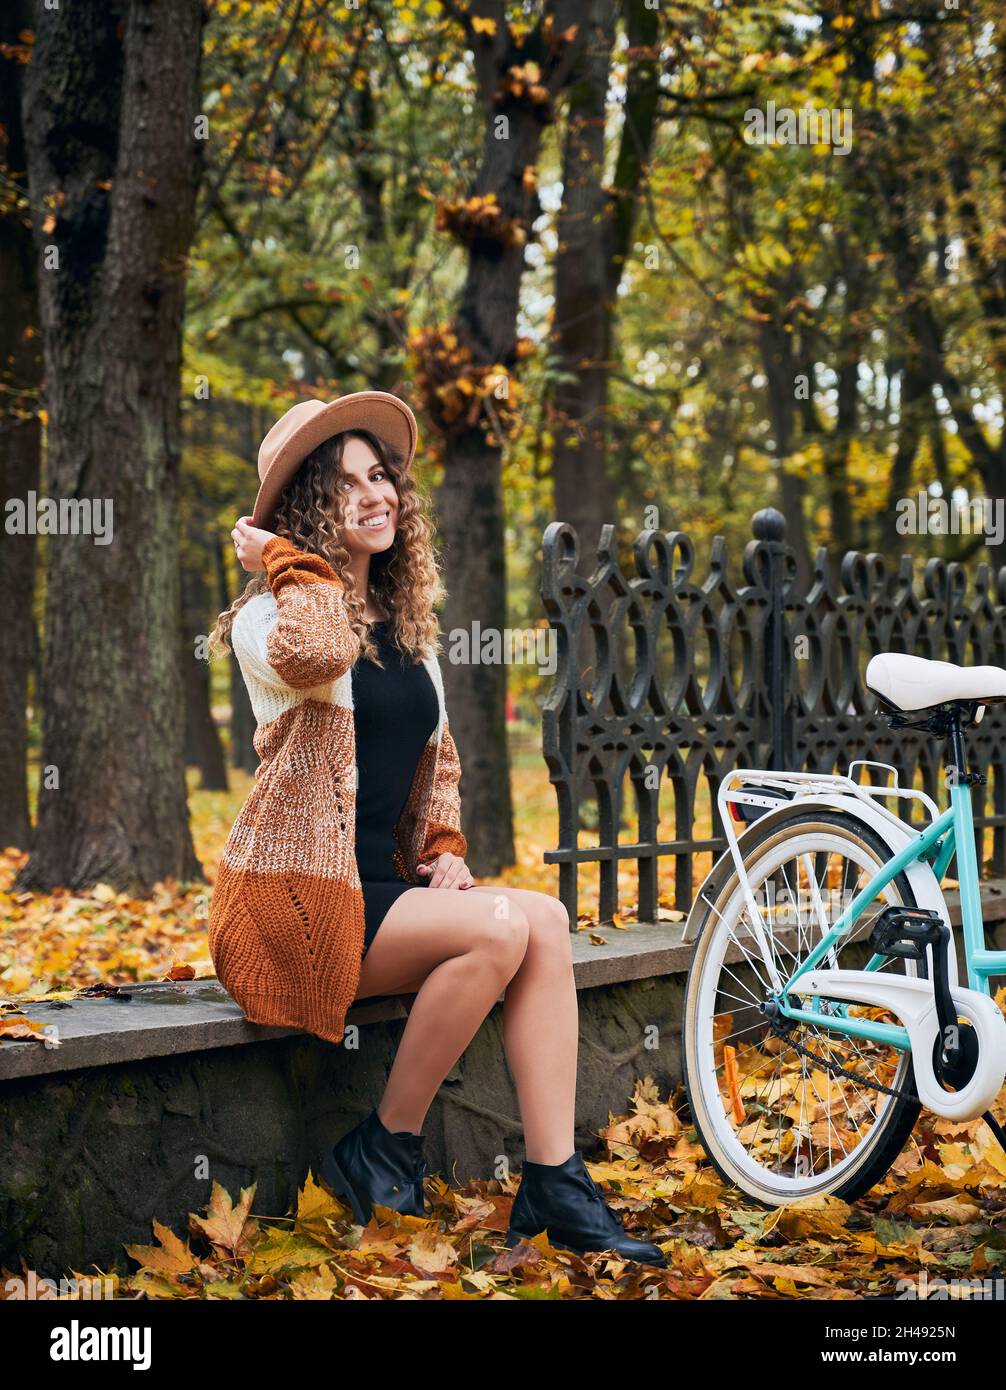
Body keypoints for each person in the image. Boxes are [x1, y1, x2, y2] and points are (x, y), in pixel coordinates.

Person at [207, 391, 665, 1267]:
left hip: (383, 889)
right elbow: (319, 654)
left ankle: (554, 1180)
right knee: (499, 930)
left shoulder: (410, 634)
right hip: (298, 904)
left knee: (544, 920)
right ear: (305, 510)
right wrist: (287, 564)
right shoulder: (272, 618)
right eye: (345, 485)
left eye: (379, 475)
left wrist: (444, 853)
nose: (375, 493)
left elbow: (436, 769)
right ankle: (386, 1142)